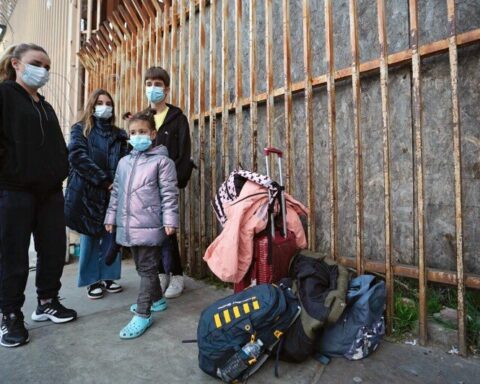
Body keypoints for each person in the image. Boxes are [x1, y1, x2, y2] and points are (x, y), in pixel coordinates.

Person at [0, 43, 77, 348]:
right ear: (16, 64)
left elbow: (58, 145)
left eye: (47, 66)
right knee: (13, 255)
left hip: (49, 191)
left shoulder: (44, 105)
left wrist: (61, 168)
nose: (43, 70)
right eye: (36, 63)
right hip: (14, 189)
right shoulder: (5, 95)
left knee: (54, 248)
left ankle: (47, 300)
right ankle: (9, 315)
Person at [104, 111, 178, 339]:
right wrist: (110, 217)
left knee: (146, 269)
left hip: (150, 224)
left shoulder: (162, 162)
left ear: (153, 134)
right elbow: (116, 192)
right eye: (133, 132)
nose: (138, 136)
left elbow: (169, 193)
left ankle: (143, 313)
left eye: (143, 132)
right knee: (142, 267)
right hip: (127, 225)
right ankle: (157, 300)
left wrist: (170, 220)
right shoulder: (124, 163)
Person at [64, 89, 128, 299]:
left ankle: (109, 276)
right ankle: (92, 281)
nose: (104, 106)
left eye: (108, 102)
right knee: (90, 236)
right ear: (92, 105)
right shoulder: (80, 129)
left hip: (113, 193)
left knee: (112, 235)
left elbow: (127, 160)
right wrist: (103, 181)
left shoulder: (119, 134)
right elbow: (77, 156)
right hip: (88, 192)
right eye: (100, 102)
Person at [143, 66, 194, 299]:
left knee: (169, 229)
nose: (153, 89)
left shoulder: (177, 118)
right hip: (148, 186)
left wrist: (175, 181)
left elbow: (184, 153)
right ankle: (161, 272)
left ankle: (176, 274)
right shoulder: (144, 119)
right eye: (149, 84)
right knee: (153, 231)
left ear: (166, 89)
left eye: (157, 84)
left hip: (169, 184)